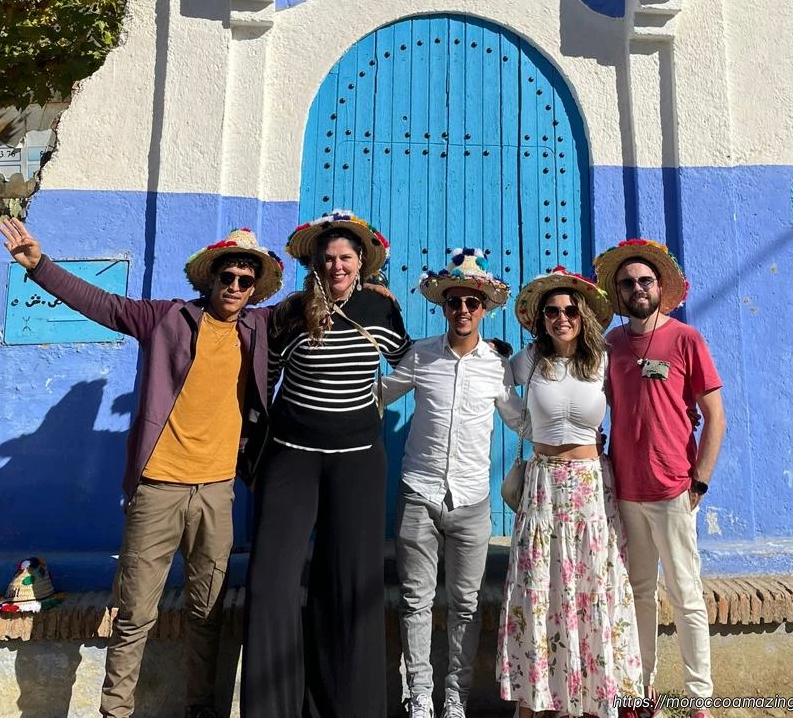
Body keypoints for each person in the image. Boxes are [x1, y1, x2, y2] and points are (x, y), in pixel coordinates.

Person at [0, 217, 284, 718]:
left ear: (254, 288)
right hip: (158, 490)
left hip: (217, 492)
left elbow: (319, 300)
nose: (236, 286)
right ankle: (116, 711)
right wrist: (39, 266)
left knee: (206, 612)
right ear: (210, 279)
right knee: (134, 615)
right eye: (228, 276)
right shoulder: (166, 318)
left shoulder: (257, 328)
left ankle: (200, 706)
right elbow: (103, 305)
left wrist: (370, 283)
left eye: (245, 279)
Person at [240, 209, 409, 718]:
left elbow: (409, 363)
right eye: (329, 258)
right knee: (271, 580)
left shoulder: (380, 309)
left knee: (350, 585)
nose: (337, 266)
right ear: (315, 263)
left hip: (357, 463)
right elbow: (265, 380)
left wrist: (482, 353)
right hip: (291, 460)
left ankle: (347, 707)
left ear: (361, 263)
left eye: (346, 258)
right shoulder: (291, 312)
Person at [497, 267, 642, 718]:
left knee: (589, 584)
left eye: (570, 310)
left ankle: (591, 699)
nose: (562, 318)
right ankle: (536, 699)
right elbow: (499, 385)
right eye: (552, 311)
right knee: (540, 585)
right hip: (543, 485)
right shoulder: (531, 360)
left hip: (590, 486)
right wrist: (526, 427)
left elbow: (633, 405)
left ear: (583, 317)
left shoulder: (601, 360)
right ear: (541, 319)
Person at [382, 248, 522, 718]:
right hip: (419, 493)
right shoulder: (421, 355)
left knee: (465, 604)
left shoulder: (497, 365)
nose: (463, 309)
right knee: (415, 600)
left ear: (484, 309)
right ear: (443, 307)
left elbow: (521, 420)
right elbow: (380, 395)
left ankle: (456, 698)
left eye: (471, 302)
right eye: (454, 301)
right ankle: (420, 695)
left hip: (471, 501)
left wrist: (576, 430)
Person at [594, 240, 726, 717]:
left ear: (660, 287)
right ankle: (640, 691)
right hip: (627, 491)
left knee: (686, 594)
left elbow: (715, 416)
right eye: (627, 283)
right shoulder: (610, 345)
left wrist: (700, 481)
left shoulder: (686, 339)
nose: (637, 288)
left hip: (674, 490)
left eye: (644, 281)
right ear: (618, 292)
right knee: (639, 595)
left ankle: (699, 699)